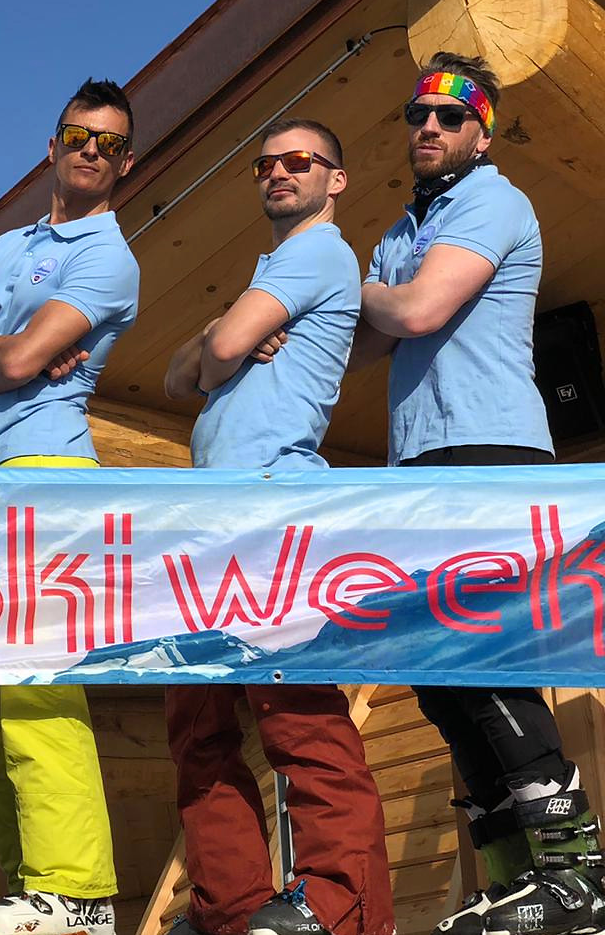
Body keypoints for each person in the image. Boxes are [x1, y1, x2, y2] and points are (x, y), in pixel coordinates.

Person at [352, 53, 599, 935]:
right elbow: (363, 344)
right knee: (435, 675)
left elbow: (413, 314)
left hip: (488, 448)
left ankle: (576, 876)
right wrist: (368, 300)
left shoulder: (494, 200)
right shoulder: (400, 229)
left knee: (479, 652)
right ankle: (513, 875)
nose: (429, 126)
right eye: (418, 113)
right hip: (419, 460)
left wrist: (362, 291)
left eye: (450, 117)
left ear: (481, 133)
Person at [162, 119, 394, 935]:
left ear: (337, 179)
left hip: (272, 508)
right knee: (196, 719)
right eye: (265, 163)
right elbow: (179, 373)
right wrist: (220, 340)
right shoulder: (274, 268)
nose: (278, 172)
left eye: (299, 161)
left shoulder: (320, 252)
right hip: (216, 516)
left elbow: (220, 346)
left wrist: (224, 339)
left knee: (294, 706)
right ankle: (228, 906)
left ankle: (341, 901)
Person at [0, 78, 140, 935]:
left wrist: (5, 354)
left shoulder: (110, 256)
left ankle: (78, 887)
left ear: (125, 162)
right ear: (52, 145)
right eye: (77, 136)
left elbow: (12, 364)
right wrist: (4, 352)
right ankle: (35, 883)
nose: (90, 150)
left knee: (36, 682)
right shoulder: (4, 247)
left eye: (108, 142)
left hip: (50, 467)